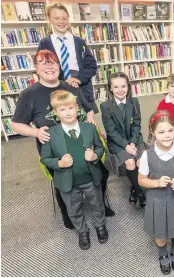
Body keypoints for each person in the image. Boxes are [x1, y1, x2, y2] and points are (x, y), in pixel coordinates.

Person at [11, 50, 114, 231]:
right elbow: (16, 125)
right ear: (36, 68)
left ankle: (100, 204)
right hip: (55, 147)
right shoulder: (30, 94)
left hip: (83, 141)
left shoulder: (71, 86)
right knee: (63, 180)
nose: (49, 66)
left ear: (59, 66)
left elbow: (88, 108)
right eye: (43, 63)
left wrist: (91, 124)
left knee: (100, 174)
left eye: (53, 62)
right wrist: (35, 133)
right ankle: (68, 212)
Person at [41, 90, 108, 250]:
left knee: (97, 204)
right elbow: (45, 158)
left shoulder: (89, 128)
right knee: (74, 209)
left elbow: (100, 147)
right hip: (67, 182)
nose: (68, 112)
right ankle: (82, 231)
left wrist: (95, 155)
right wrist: (59, 164)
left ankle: (100, 226)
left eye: (70, 108)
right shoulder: (51, 134)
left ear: (77, 108)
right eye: (62, 110)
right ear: (56, 113)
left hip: (91, 178)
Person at [138, 110, 174, 275]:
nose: (167, 135)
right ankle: (162, 252)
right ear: (153, 133)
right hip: (157, 201)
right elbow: (141, 180)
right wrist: (156, 182)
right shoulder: (147, 155)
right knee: (160, 231)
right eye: (161, 132)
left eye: (170, 130)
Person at [38, 2, 98, 111]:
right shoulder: (45, 43)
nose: (61, 21)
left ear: (68, 19)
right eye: (57, 18)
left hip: (80, 88)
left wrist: (79, 79)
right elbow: (41, 68)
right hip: (57, 91)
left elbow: (92, 66)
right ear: (49, 19)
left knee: (86, 124)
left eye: (64, 18)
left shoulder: (79, 42)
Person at [100, 72, 146, 208]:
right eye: (116, 87)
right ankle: (140, 193)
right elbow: (111, 132)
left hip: (135, 139)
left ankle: (133, 187)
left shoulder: (134, 102)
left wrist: (132, 142)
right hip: (117, 143)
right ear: (110, 89)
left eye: (123, 86)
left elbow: (137, 124)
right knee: (130, 163)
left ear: (128, 87)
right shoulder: (106, 106)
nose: (120, 90)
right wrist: (126, 145)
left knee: (142, 162)